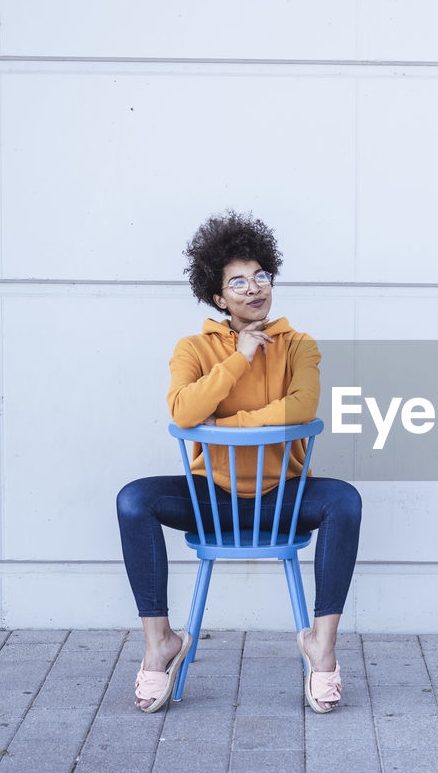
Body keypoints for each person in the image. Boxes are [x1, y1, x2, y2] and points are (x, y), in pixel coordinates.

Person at [116, 210, 361, 714]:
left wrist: (223, 428)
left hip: (283, 498)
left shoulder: (299, 345)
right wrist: (240, 357)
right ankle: (160, 642)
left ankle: (322, 646)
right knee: (133, 499)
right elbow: (183, 410)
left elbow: (301, 409)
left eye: (261, 277)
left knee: (346, 501)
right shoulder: (194, 348)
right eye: (239, 282)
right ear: (217, 296)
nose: (255, 290)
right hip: (213, 499)